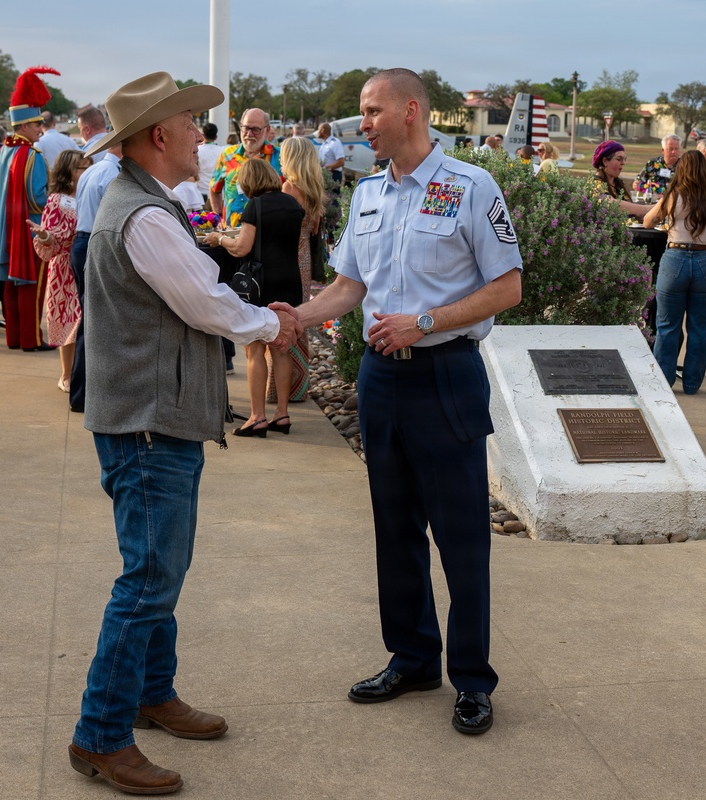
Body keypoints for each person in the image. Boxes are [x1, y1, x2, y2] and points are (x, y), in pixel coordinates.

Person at [68, 71, 301, 795]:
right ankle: (101, 736)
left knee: (157, 572)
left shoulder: (148, 206)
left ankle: (151, 693)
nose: (205, 137)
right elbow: (206, 305)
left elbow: (198, 298)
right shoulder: (142, 215)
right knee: (148, 579)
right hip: (147, 423)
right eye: (193, 126)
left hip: (151, 419)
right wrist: (276, 321)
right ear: (160, 136)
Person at [272, 68, 522, 737]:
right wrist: (295, 315)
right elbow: (350, 286)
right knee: (395, 529)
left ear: (412, 110)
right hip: (382, 382)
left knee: (463, 539)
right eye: (362, 111)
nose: (364, 123)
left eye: (372, 110)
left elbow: (507, 288)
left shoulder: (471, 187)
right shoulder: (370, 195)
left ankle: (472, 679)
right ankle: (412, 658)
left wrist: (427, 322)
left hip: (445, 377)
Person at [204, 158, 304, 436]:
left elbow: (241, 248)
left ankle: (257, 417)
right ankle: (282, 414)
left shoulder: (255, 205)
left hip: (261, 283)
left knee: (255, 349)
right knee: (282, 347)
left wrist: (220, 239)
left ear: (250, 182)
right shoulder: (292, 203)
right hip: (290, 280)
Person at [644, 149, 706, 395]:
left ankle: (663, 383)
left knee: (667, 326)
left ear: (681, 170)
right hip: (705, 261)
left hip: (675, 259)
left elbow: (647, 222)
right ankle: (692, 384)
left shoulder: (673, 195)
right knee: (699, 328)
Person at [0, 66, 58, 351]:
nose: (41, 129)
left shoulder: (4, 150)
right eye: (37, 124)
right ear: (24, 125)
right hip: (29, 229)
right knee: (32, 287)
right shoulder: (31, 154)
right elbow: (38, 198)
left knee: (11, 286)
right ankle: (32, 339)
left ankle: (14, 338)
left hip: (6, 230)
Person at [269, 134, 326, 406]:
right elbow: (313, 229)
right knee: (299, 316)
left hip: (285, 256)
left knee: (282, 317)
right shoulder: (315, 190)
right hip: (303, 258)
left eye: (282, 156)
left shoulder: (288, 188)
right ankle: (299, 385)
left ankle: (279, 388)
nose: (280, 159)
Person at [67, 141, 122, 413]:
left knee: (89, 319)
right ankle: (86, 394)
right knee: (95, 322)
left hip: (82, 241)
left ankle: (82, 393)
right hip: (93, 242)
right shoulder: (112, 175)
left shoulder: (92, 170)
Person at [31, 150, 90, 393]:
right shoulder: (56, 200)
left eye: (88, 167)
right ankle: (66, 375)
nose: (85, 172)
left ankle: (82, 375)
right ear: (67, 171)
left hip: (88, 264)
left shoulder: (92, 195)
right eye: (80, 168)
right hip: (64, 268)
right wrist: (46, 237)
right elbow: (50, 245)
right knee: (68, 321)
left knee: (84, 322)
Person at [209, 108, 281, 228]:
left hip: (267, 233)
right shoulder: (227, 155)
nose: (249, 134)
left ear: (267, 130)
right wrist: (218, 217)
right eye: (246, 128)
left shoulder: (279, 157)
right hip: (231, 234)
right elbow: (214, 189)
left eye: (256, 129)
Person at [590, 140, 647, 220]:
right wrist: (647, 209)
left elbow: (632, 212)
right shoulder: (594, 183)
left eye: (624, 159)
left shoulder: (618, 184)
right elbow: (609, 204)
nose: (623, 163)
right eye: (619, 159)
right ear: (605, 161)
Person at [195, 122, 222, 206]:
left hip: (200, 195)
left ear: (202, 134)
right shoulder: (222, 152)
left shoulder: (197, 151)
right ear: (216, 137)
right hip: (218, 194)